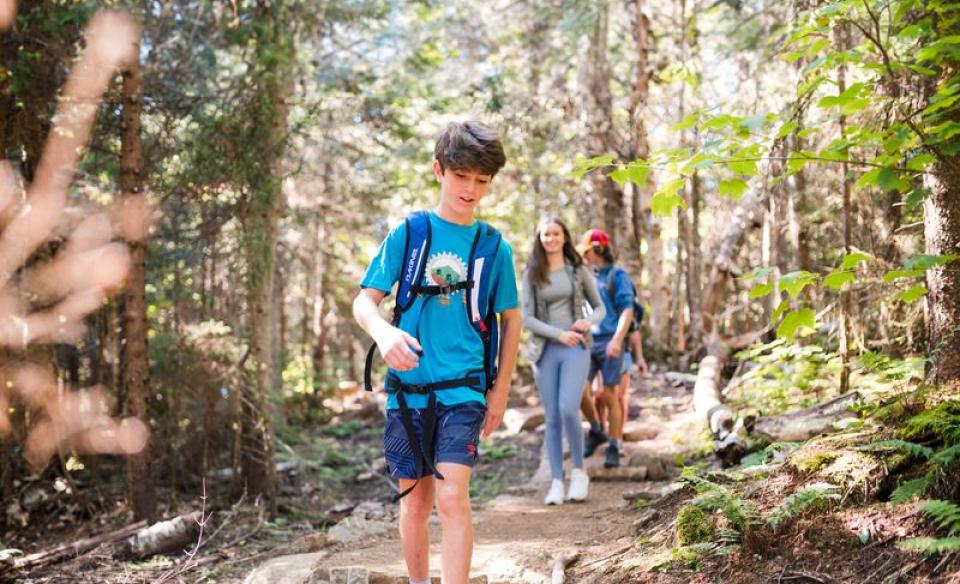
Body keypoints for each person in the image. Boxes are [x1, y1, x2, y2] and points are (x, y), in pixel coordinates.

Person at [353, 121, 521, 584]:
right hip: (407, 393)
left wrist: (501, 391)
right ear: (438, 171)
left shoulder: (493, 247)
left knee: (452, 498)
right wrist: (385, 335)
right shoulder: (409, 233)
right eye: (462, 176)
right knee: (416, 502)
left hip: (464, 390)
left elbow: (511, 319)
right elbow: (364, 301)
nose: (471, 189)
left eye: (482, 181)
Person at [521, 218, 606, 505]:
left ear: (564, 237)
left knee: (569, 408)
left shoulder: (577, 269)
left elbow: (600, 308)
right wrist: (558, 334)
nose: (551, 238)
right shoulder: (533, 272)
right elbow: (527, 317)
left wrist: (586, 321)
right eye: (546, 234)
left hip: (577, 347)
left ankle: (579, 472)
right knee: (552, 417)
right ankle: (557, 481)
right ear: (540, 238)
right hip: (546, 350)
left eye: (556, 233)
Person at [578, 228, 633, 468]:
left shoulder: (617, 276)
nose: (585, 256)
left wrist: (618, 340)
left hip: (610, 340)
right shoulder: (587, 276)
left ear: (597, 250)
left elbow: (627, 310)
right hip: (588, 342)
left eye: (588, 251)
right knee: (580, 389)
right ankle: (596, 428)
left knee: (611, 393)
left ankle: (614, 444)